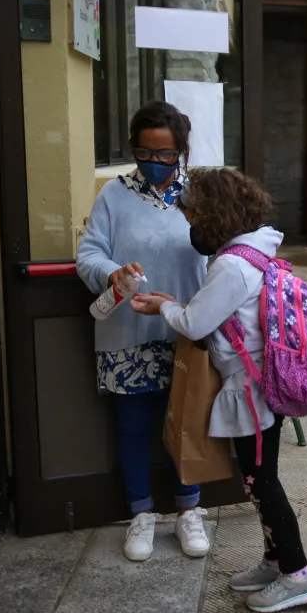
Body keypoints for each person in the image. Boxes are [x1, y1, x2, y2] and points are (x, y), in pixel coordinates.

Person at [131, 167, 307, 613]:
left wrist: (164, 306)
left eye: (194, 215)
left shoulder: (233, 265)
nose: (191, 225)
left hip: (251, 391)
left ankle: (299, 575)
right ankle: (276, 560)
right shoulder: (248, 254)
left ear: (214, 214)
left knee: (262, 481)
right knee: (258, 477)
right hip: (254, 384)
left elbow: (196, 322)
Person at [76, 100, 209, 562]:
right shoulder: (114, 195)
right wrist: (111, 271)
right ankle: (141, 514)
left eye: (165, 155)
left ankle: (189, 510)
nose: (154, 164)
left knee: (187, 424)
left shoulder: (202, 195)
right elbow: (88, 254)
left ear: (182, 152)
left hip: (186, 332)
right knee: (133, 427)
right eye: (145, 153)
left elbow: (223, 255)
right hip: (127, 331)